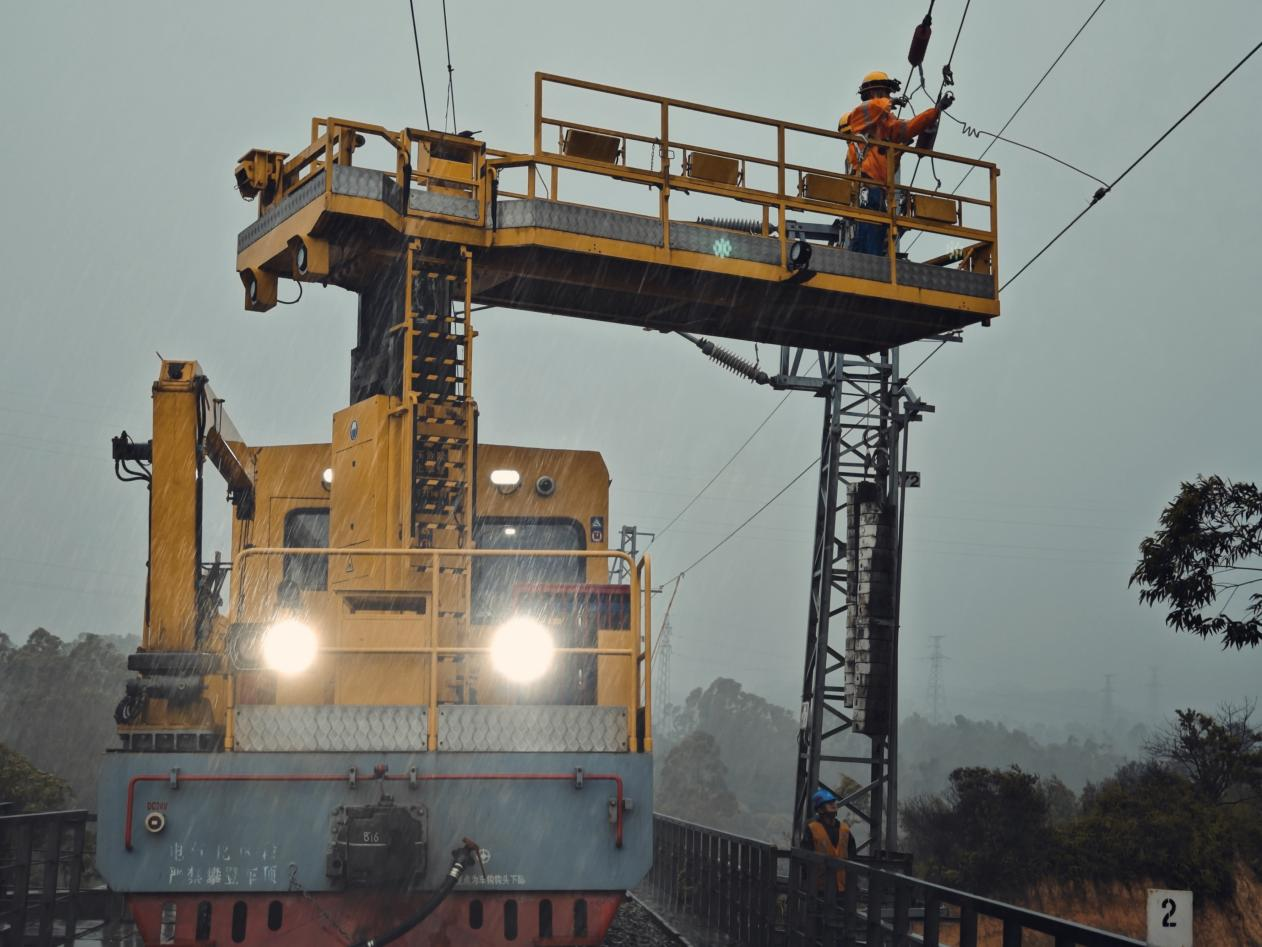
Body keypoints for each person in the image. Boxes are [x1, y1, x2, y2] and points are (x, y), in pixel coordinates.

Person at [839, 71, 954, 255]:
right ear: (872, 93)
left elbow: (907, 128)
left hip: (880, 190)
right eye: (884, 92)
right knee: (867, 241)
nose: (887, 96)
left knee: (875, 239)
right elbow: (871, 108)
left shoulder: (885, 123)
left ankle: (872, 266)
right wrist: (891, 102)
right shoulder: (860, 114)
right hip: (867, 188)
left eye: (888, 94)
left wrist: (936, 110)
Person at [802, 788, 857, 891]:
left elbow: (852, 856)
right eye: (828, 803)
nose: (833, 804)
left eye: (833, 801)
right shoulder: (812, 829)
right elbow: (805, 858)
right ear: (820, 810)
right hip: (820, 889)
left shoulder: (845, 829)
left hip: (842, 888)